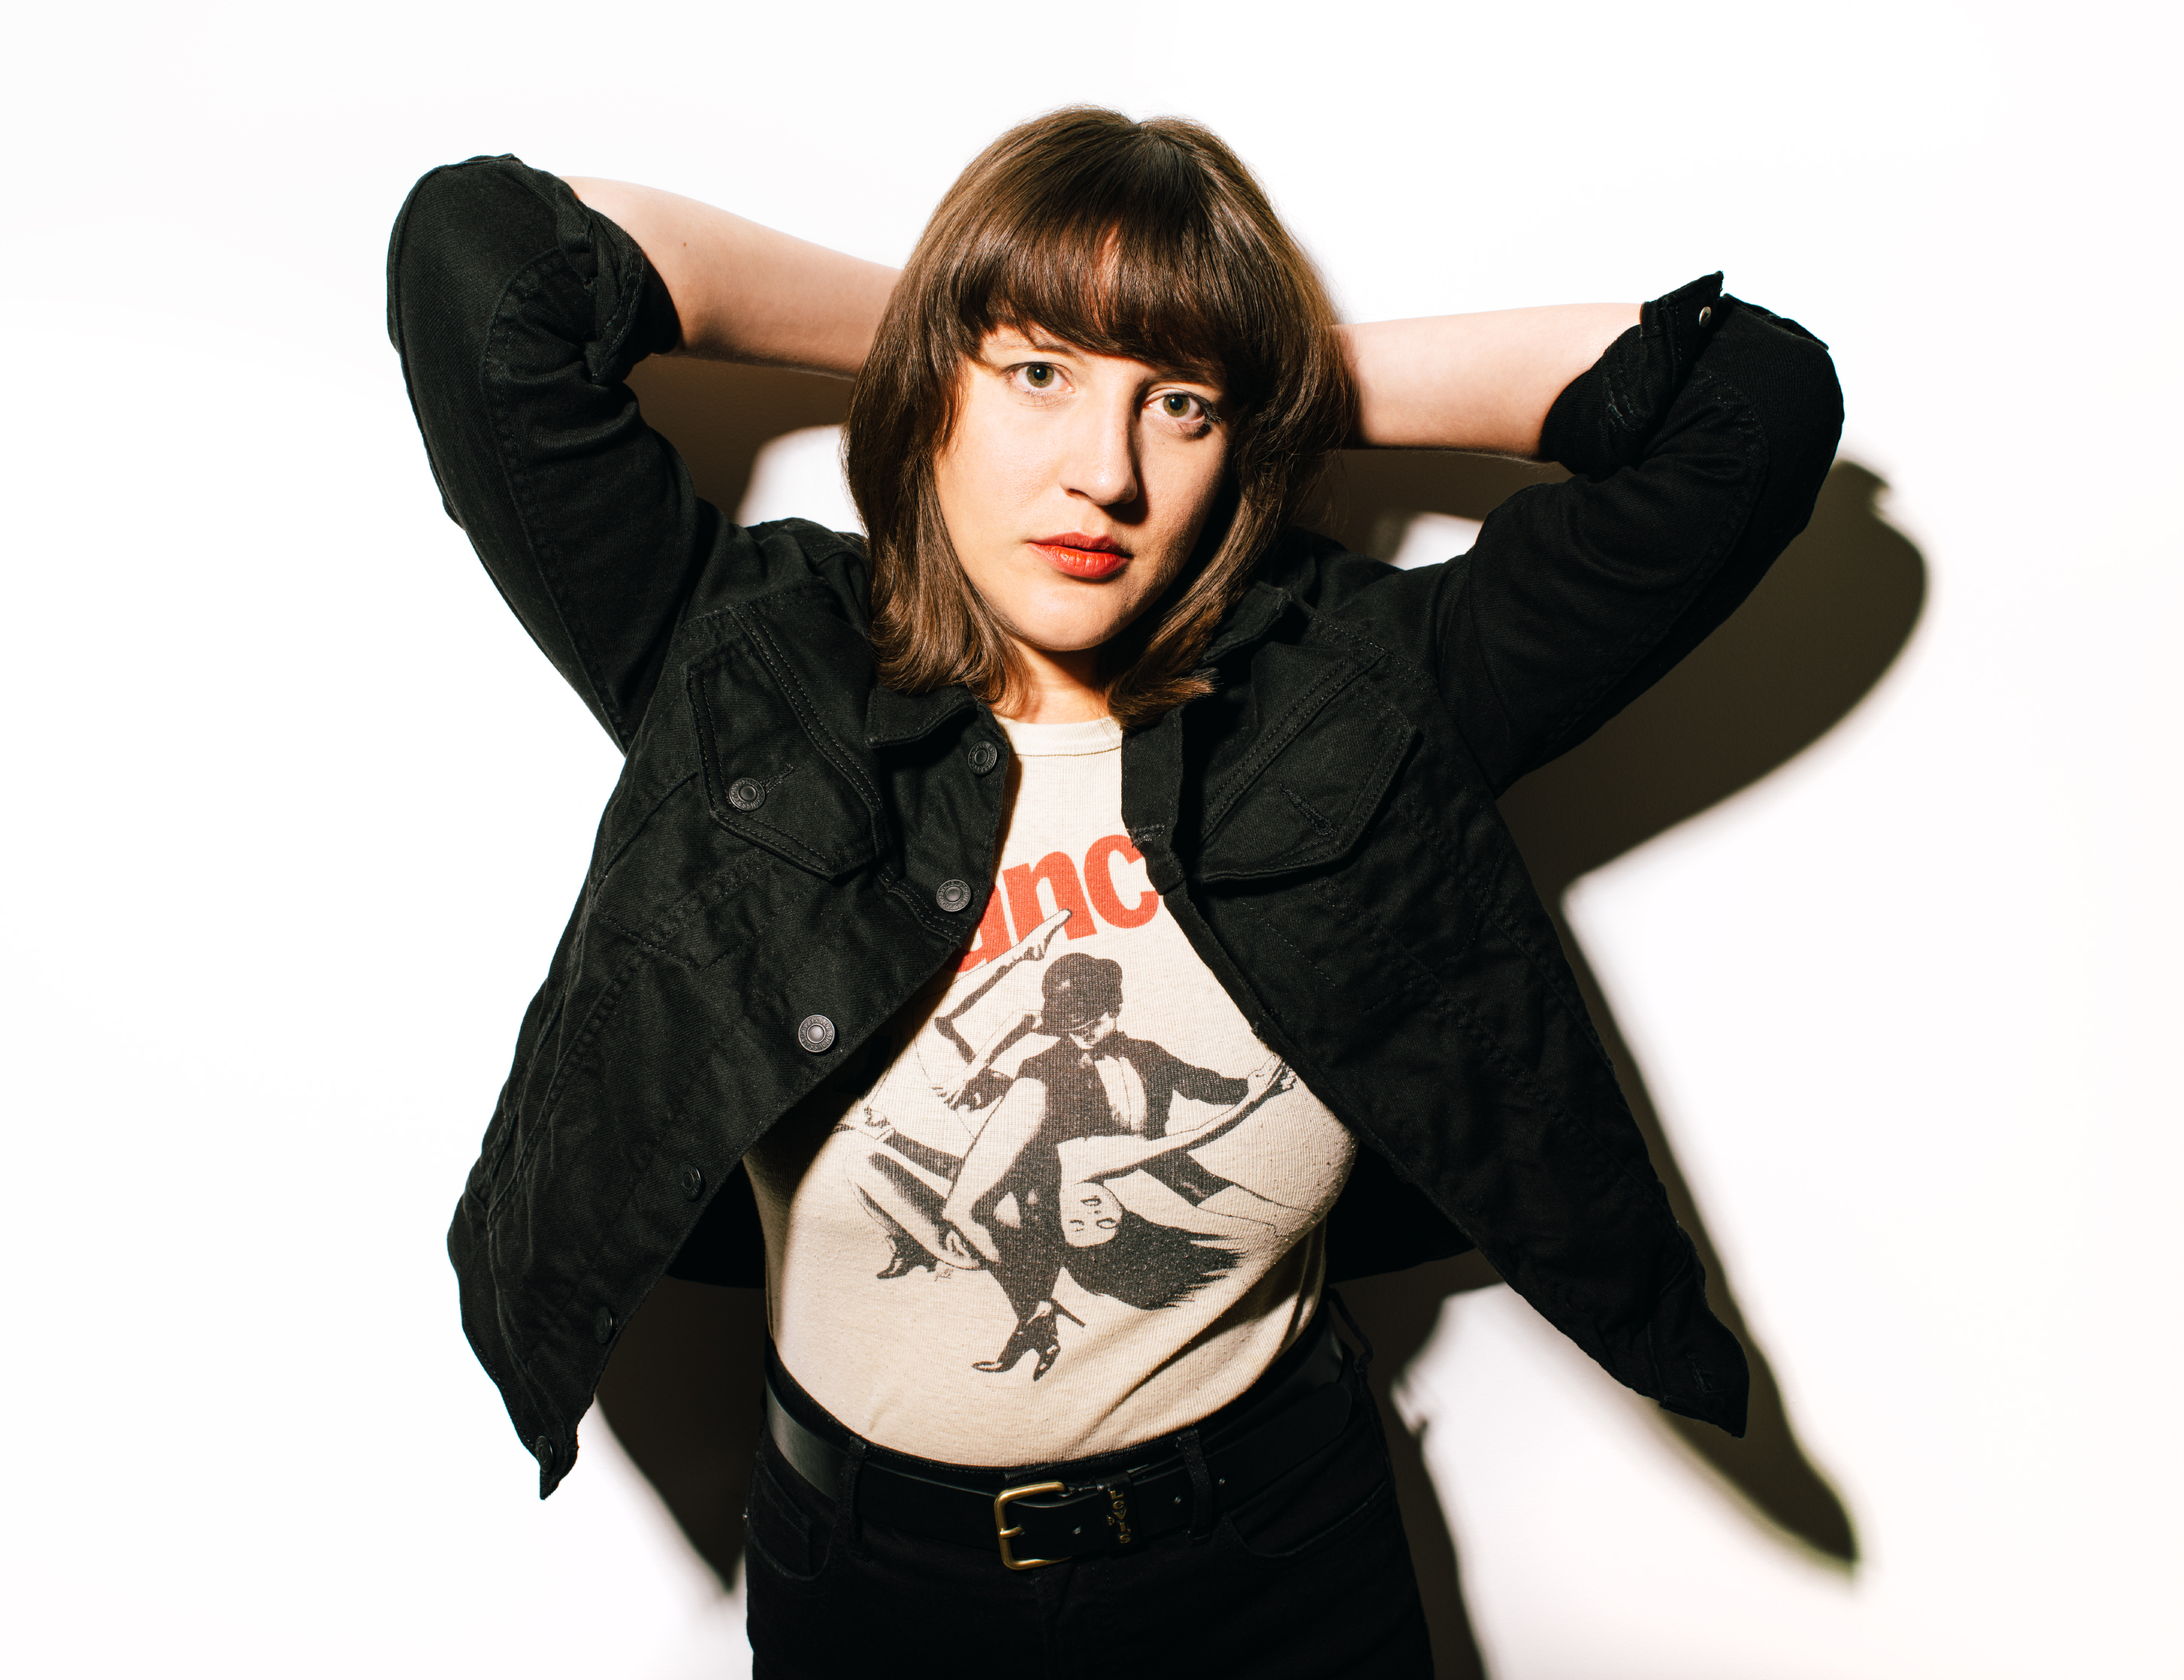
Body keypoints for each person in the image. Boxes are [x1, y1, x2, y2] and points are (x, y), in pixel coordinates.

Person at [386, 106, 1841, 1676]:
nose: (1105, 472)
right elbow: (487, 260)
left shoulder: (1365, 695)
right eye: (1036, 376)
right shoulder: (753, 672)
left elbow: (1749, 402)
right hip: (868, 1585)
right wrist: (946, 312)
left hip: (1272, 1562)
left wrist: (1255, 357)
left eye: (1184, 407)